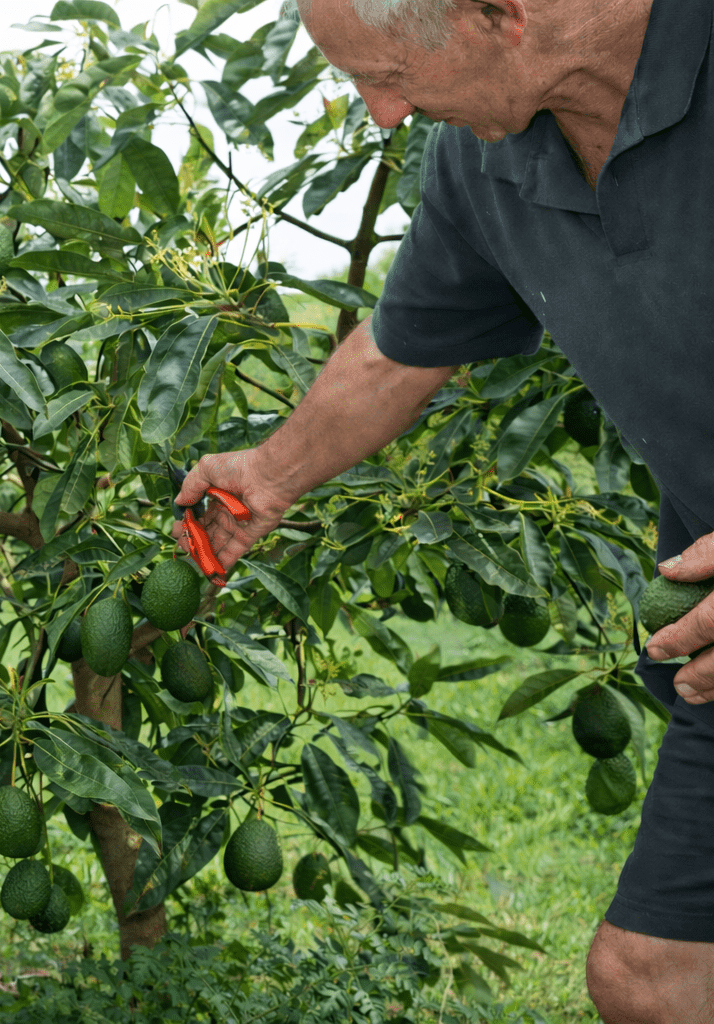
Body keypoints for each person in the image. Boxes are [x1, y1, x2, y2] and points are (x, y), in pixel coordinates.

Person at [173, 0, 714, 1019]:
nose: (383, 114)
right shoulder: (484, 160)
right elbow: (401, 349)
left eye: (386, 75)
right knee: (654, 977)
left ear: (499, 14)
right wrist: (269, 475)